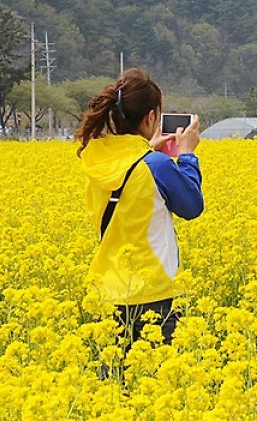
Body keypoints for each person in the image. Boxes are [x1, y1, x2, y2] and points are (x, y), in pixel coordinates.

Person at [75, 68, 204, 348]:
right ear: (150, 118)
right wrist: (188, 155)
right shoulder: (154, 166)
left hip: (107, 297)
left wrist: (147, 149)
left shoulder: (94, 160)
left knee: (113, 386)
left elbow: (130, 180)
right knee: (161, 386)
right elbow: (192, 205)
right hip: (154, 296)